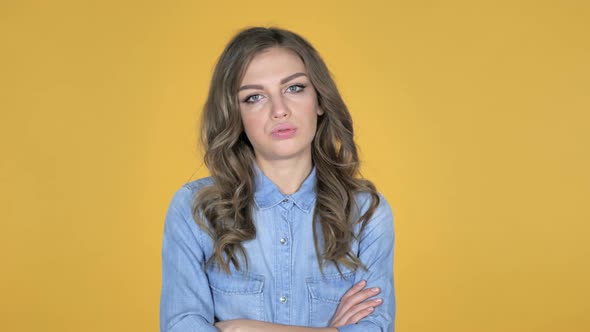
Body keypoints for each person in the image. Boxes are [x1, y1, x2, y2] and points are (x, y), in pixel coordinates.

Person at [160, 26, 395, 332]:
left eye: (294, 88)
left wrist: (243, 328)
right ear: (235, 115)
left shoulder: (366, 213)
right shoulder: (195, 210)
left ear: (320, 100)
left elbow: (374, 327)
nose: (279, 111)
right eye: (254, 97)